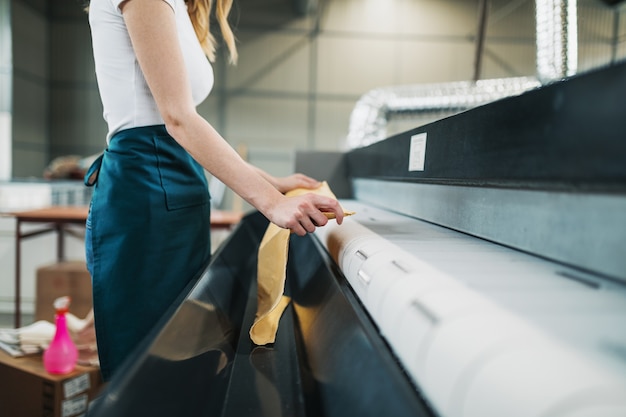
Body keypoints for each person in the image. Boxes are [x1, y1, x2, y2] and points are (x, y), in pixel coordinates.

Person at [86, 0, 344, 382]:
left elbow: (182, 130)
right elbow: (176, 119)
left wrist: (273, 183)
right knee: (145, 368)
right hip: (146, 191)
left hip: (175, 183)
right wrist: (270, 202)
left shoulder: (179, 7)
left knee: (175, 351)